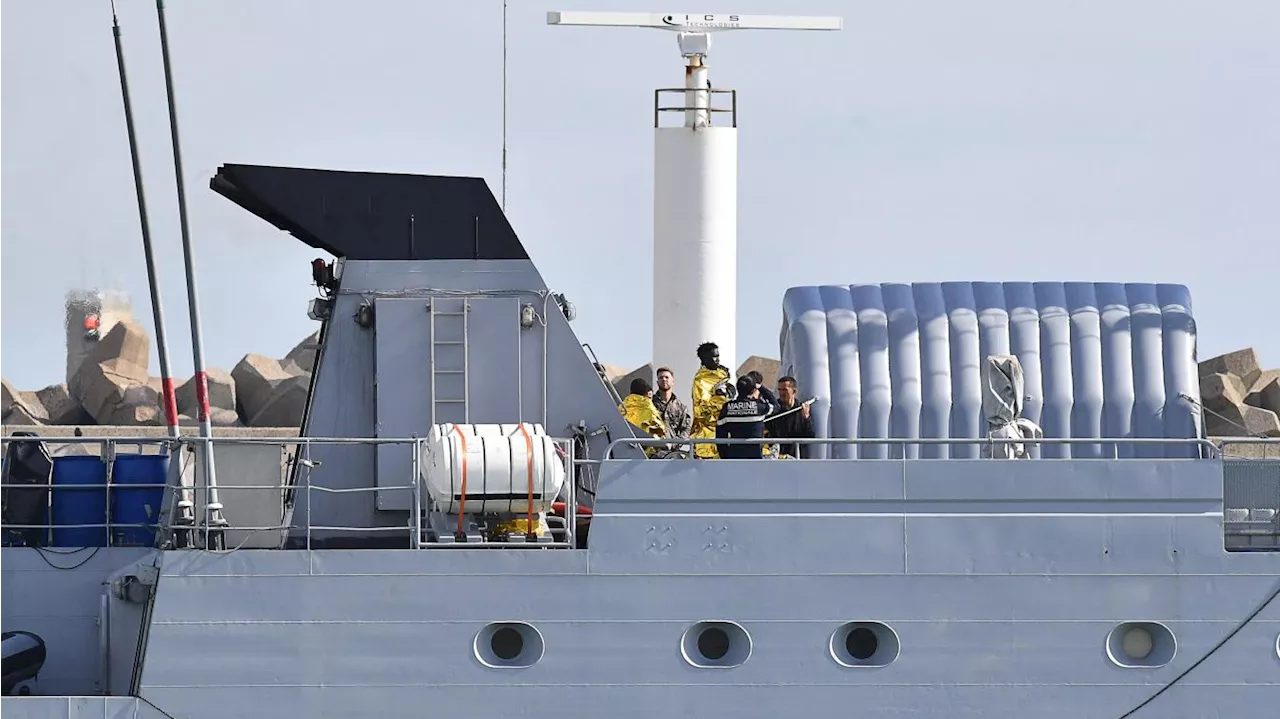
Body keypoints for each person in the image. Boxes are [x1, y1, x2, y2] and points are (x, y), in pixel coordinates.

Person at [715, 375, 778, 459]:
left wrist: (725, 456)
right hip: (755, 456)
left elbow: (720, 435)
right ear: (753, 390)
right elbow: (776, 406)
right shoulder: (759, 407)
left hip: (733, 456)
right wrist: (761, 387)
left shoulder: (727, 407)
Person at [690, 343, 733, 459]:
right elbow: (701, 411)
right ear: (704, 359)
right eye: (714, 357)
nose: (718, 359)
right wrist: (720, 400)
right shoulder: (700, 381)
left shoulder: (723, 374)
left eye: (718, 356)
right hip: (708, 434)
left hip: (727, 428)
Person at [765, 375, 816, 458]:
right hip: (777, 458)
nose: (781, 393)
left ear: (794, 391)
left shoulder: (801, 410)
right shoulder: (774, 410)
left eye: (785, 390)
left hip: (797, 457)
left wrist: (806, 418)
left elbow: (810, 436)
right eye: (779, 390)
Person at [618, 378, 668, 456]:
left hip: (622, 452)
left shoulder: (621, 407)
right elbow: (660, 432)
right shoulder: (648, 407)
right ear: (648, 393)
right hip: (646, 456)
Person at [651, 367, 692, 440]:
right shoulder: (650, 404)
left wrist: (675, 443)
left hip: (673, 449)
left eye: (667, 377)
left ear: (673, 381)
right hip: (653, 449)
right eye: (661, 377)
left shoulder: (681, 408)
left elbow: (686, 429)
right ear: (657, 382)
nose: (664, 379)